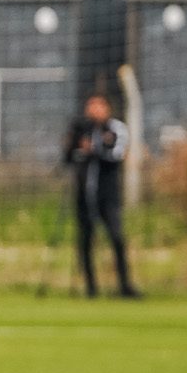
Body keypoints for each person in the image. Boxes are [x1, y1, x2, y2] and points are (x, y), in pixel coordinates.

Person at [63, 93, 140, 299]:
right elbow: (68, 157)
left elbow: (116, 156)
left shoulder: (116, 128)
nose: (94, 110)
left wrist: (94, 150)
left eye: (98, 106)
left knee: (116, 237)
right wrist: (74, 143)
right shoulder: (81, 129)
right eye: (91, 106)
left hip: (108, 196)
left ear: (107, 108)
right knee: (85, 241)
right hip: (84, 195)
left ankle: (124, 286)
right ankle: (91, 288)